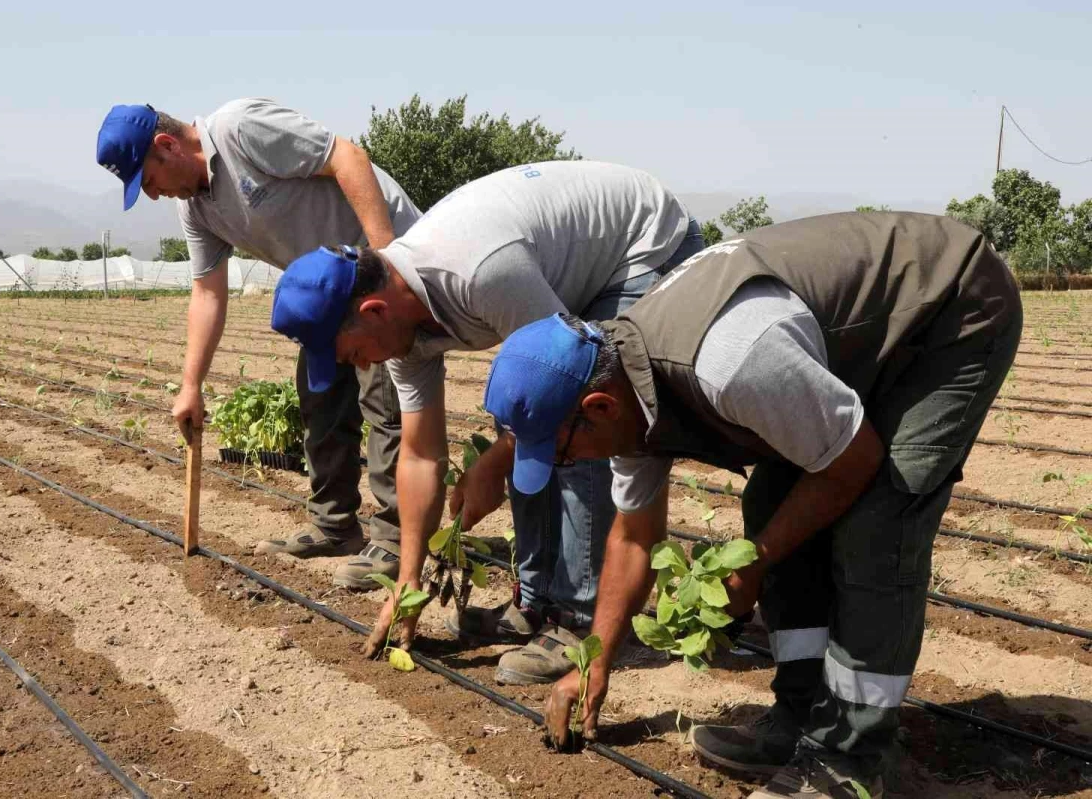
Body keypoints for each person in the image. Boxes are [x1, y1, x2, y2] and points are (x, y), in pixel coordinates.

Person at [482, 212, 1022, 798]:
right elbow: (633, 538)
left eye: (561, 452)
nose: (565, 466)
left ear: (599, 408)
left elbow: (853, 461)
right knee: (772, 502)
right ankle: (798, 719)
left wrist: (756, 563)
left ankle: (851, 757)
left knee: (878, 525)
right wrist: (594, 663)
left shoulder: (731, 362)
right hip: (843, 345)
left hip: (948, 311)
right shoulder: (622, 390)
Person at [268, 160, 705, 684]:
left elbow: (563, 389)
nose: (358, 366)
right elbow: (420, 454)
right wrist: (407, 584)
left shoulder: (481, 273)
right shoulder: (399, 334)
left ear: (376, 310)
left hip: (638, 243)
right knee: (524, 431)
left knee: (579, 430)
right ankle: (537, 603)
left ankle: (582, 622)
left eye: (351, 352)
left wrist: (493, 464)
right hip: (562, 269)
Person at [95, 99, 421, 589]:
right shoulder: (197, 210)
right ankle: (335, 525)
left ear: (166, 146)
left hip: (379, 268)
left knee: (385, 405)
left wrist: (388, 264)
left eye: (149, 182)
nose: (156, 196)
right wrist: (190, 384)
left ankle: (396, 540)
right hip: (326, 292)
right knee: (320, 399)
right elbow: (207, 292)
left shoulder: (241, 129)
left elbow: (348, 158)